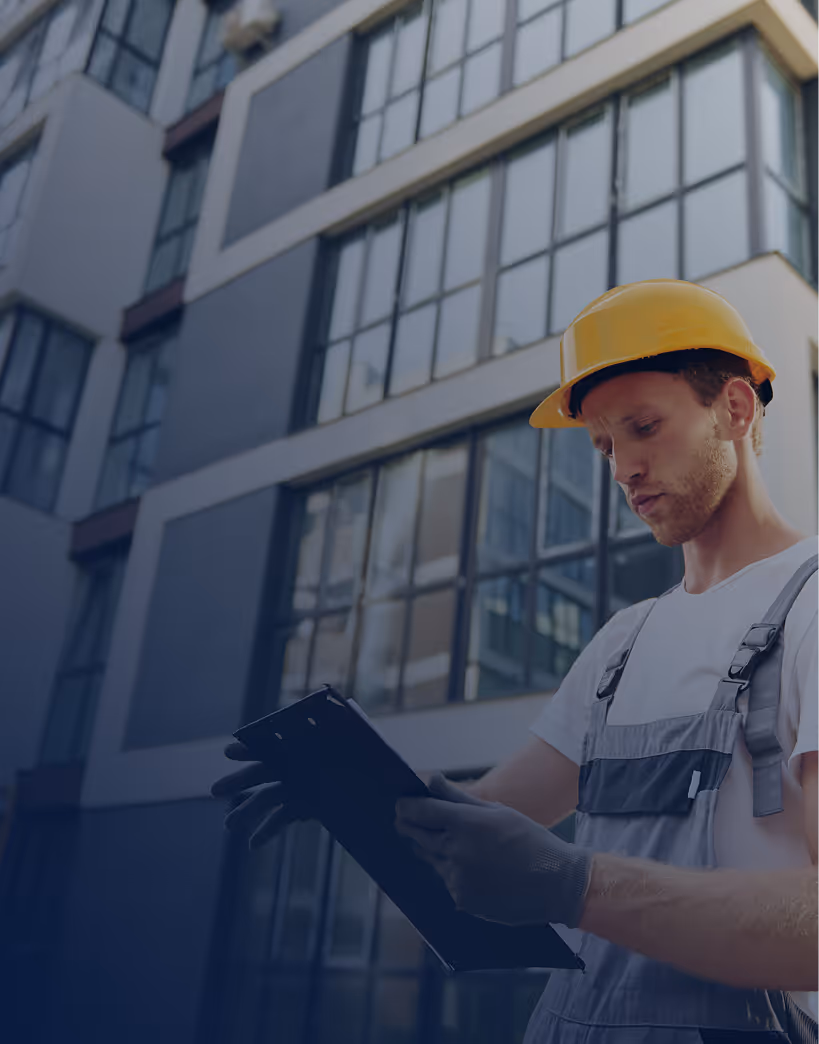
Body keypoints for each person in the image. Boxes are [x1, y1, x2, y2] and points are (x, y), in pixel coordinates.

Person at [212, 280, 819, 1042]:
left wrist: (575, 884)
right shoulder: (622, 644)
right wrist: (351, 791)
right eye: (603, 446)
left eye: (642, 427)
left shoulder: (808, 607)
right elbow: (490, 823)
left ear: (734, 408)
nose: (623, 469)